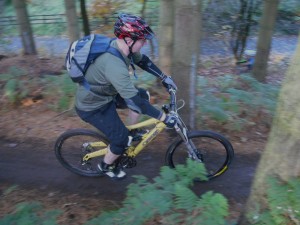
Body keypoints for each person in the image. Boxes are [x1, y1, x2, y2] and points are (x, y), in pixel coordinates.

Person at [75, 13, 178, 180]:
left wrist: (164, 77)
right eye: (142, 40)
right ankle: (106, 166)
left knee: (143, 94)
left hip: (107, 94)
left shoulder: (122, 49)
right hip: (93, 106)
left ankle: (133, 130)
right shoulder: (114, 65)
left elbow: (143, 61)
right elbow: (134, 101)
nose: (145, 43)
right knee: (121, 140)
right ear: (129, 40)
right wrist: (164, 118)